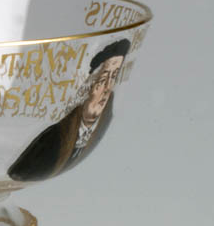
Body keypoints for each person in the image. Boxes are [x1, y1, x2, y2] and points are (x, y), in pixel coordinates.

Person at [7, 38, 131, 182]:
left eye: (113, 77)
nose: (106, 88)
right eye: (103, 79)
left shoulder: (103, 122)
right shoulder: (55, 136)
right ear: (89, 85)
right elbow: (20, 172)